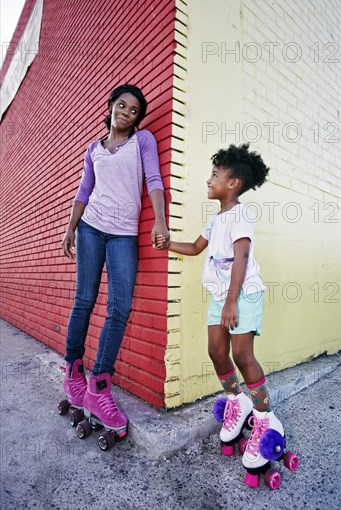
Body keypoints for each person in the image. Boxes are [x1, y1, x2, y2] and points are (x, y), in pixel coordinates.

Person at [156, 144, 284, 481]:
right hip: (221, 295)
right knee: (215, 351)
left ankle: (267, 417)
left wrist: (231, 301)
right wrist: (168, 243)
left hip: (244, 294)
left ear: (233, 183)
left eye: (215, 175)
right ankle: (236, 400)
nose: (209, 179)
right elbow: (197, 248)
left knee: (242, 354)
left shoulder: (242, 215)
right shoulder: (217, 218)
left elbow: (240, 258)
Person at [60, 84, 169, 434]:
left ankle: (99, 386)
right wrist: (70, 228)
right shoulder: (93, 150)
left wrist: (160, 221)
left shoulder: (143, 142)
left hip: (124, 234)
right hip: (91, 228)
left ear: (138, 118)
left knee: (120, 307)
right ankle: (73, 373)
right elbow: (83, 192)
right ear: (110, 106)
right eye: (121, 105)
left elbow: (153, 179)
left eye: (134, 110)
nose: (126, 112)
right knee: (84, 300)